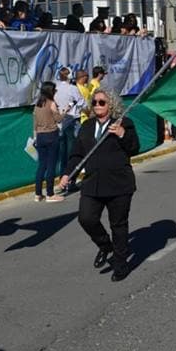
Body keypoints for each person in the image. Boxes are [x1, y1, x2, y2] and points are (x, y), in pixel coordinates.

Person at [60, 89, 140, 282]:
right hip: (92, 183)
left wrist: (122, 134)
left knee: (118, 225)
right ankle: (105, 245)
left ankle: (120, 264)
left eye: (102, 102)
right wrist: (68, 174)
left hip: (118, 184)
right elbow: (78, 154)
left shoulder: (124, 123)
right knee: (86, 218)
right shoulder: (87, 126)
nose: (97, 105)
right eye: (94, 102)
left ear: (111, 104)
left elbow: (134, 148)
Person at [54, 68, 86, 190]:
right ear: (70, 76)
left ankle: (63, 180)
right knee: (73, 153)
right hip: (72, 122)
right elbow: (82, 103)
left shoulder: (56, 88)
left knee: (63, 154)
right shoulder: (73, 89)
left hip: (59, 124)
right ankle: (70, 180)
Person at [33, 82, 64, 202]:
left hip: (40, 137)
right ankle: (50, 194)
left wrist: (35, 138)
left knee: (42, 165)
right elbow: (58, 119)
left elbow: (35, 124)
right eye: (54, 90)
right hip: (51, 135)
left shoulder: (37, 104)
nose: (55, 92)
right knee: (51, 165)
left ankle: (38, 194)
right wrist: (64, 111)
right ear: (50, 91)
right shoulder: (52, 103)